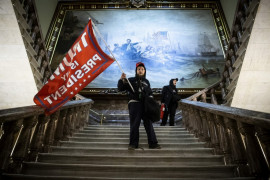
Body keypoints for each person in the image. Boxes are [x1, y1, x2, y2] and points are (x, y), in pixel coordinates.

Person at [118, 62, 161, 150]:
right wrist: (121, 79)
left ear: (144, 71)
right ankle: (133, 144)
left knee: (148, 124)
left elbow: (150, 93)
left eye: (142, 69)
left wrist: (151, 99)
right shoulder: (130, 80)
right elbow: (121, 88)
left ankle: (153, 143)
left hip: (145, 105)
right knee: (134, 124)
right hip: (135, 104)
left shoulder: (147, 82)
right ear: (136, 71)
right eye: (139, 69)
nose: (140, 71)